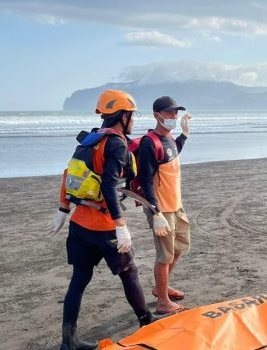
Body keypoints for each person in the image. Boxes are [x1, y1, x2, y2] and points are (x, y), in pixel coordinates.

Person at [48, 89, 155, 350]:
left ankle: (68, 342)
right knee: (130, 273)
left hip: (79, 223)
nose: (133, 121)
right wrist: (121, 227)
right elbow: (108, 186)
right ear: (123, 116)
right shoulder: (116, 143)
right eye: (132, 115)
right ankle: (148, 323)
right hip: (104, 224)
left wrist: (63, 209)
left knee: (79, 280)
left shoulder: (89, 139)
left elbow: (68, 174)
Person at [137, 96, 192, 315]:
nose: (173, 117)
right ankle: (162, 302)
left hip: (176, 206)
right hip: (161, 209)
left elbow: (173, 151)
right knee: (164, 256)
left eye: (175, 113)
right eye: (169, 114)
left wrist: (185, 135)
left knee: (178, 249)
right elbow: (145, 180)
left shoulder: (169, 139)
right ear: (156, 115)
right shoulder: (149, 142)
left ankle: (161, 288)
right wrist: (155, 212)